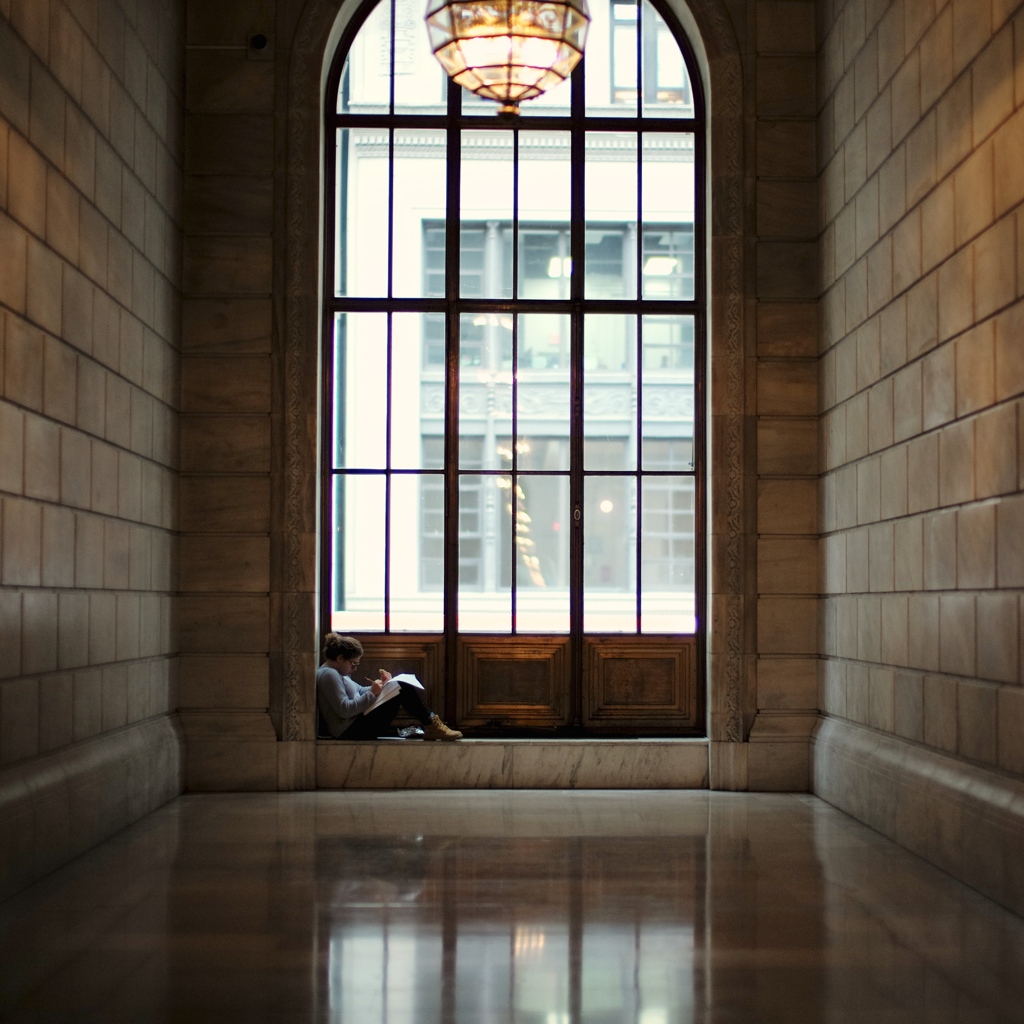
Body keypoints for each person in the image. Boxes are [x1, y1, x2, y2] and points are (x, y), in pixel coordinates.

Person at [316, 633, 462, 741]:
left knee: (398, 685)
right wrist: (373, 693)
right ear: (340, 658)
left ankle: (432, 725)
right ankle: (432, 725)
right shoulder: (329, 675)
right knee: (403, 686)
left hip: (354, 725)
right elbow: (345, 710)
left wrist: (382, 685)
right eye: (353, 663)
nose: (355, 669)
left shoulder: (338, 673)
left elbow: (360, 691)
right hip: (349, 731)